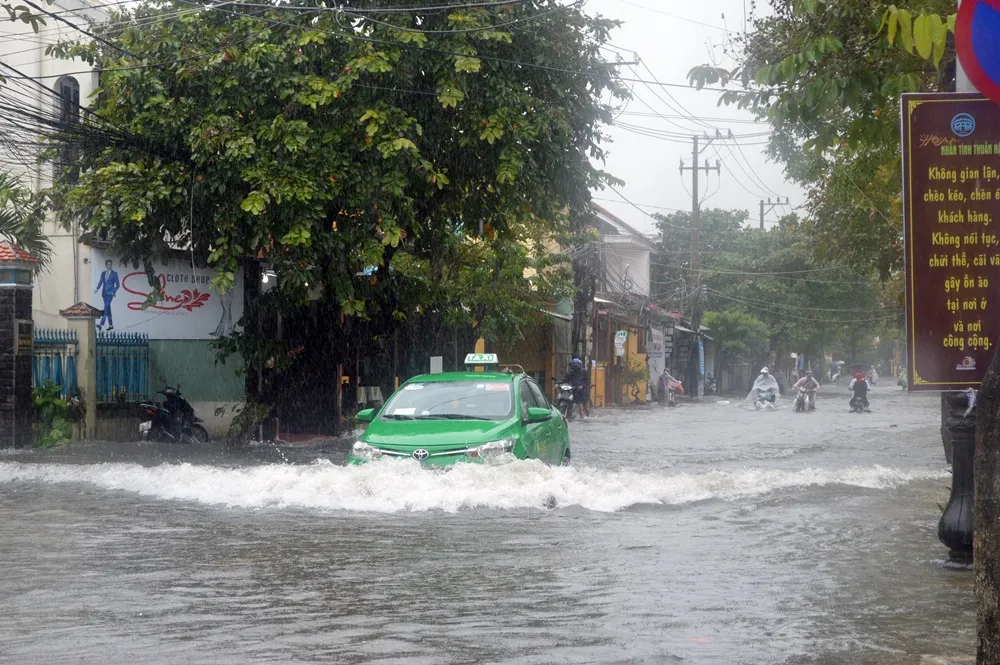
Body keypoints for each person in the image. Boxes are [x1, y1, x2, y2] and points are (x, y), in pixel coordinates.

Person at [95, 259, 120, 331]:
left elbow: (118, 285)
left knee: (105, 307)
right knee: (108, 309)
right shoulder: (103, 273)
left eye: (110, 264)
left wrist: (113, 292)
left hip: (110, 294)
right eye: (108, 264)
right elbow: (100, 282)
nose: (110, 265)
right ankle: (111, 325)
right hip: (104, 293)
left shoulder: (114, 274)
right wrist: (97, 289)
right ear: (106, 265)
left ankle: (101, 324)